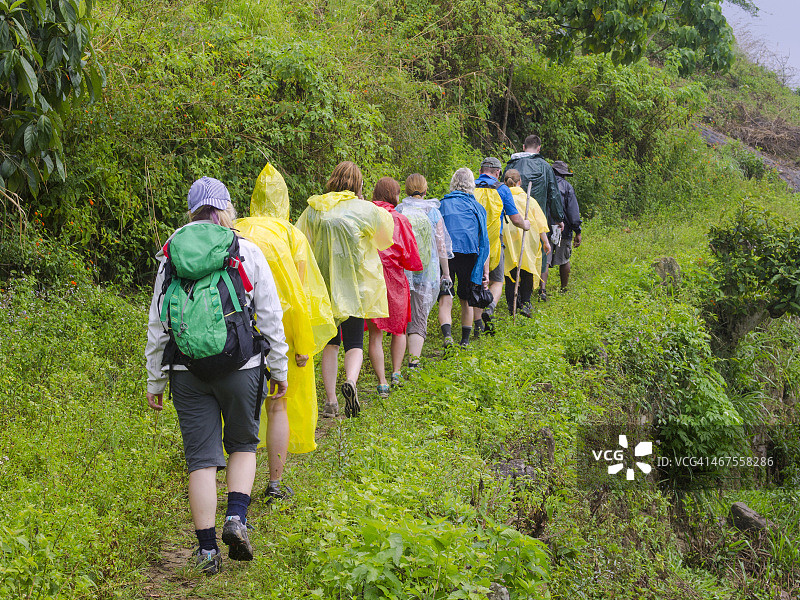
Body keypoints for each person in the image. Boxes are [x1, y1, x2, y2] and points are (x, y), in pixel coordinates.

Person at [145, 177, 290, 574]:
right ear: (226, 208)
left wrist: (154, 380)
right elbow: (270, 315)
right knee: (242, 444)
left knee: (200, 462)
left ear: (191, 210)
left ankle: (207, 552)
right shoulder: (245, 249)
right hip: (241, 365)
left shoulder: (171, 254)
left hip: (185, 370)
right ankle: (236, 519)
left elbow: (158, 324)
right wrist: (278, 368)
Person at [235, 164, 336, 502]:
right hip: (280, 332)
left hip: (237, 331)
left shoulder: (235, 229)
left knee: (238, 408)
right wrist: (304, 342)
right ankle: (274, 483)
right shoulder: (291, 235)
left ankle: (235, 484)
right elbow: (301, 293)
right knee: (278, 404)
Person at [296, 161, 394, 419]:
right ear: (359, 184)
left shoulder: (314, 209)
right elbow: (384, 239)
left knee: (331, 342)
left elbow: (299, 243)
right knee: (354, 341)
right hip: (356, 286)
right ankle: (351, 381)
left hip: (324, 286)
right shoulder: (365, 210)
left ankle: (330, 402)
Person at [367, 177, 423, 397]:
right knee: (399, 329)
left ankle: (381, 382)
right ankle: (396, 373)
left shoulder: (366, 217)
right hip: (394, 278)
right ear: (393, 194)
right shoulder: (399, 219)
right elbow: (411, 256)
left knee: (375, 333)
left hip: (371, 277)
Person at [395, 173, 453, 369]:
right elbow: (441, 244)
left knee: (403, 316)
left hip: (402, 271)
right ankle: (413, 362)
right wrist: (446, 273)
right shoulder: (432, 211)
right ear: (426, 189)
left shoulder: (399, 210)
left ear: (406, 189)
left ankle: (396, 366)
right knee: (419, 316)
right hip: (425, 272)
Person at [504, 134, 566, 301]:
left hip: (510, 220)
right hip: (535, 220)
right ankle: (529, 298)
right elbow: (553, 194)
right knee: (534, 255)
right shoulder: (545, 167)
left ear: (523, 147)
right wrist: (559, 218)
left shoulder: (511, 165)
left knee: (513, 255)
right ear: (539, 149)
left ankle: (514, 297)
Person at [473, 157, 530, 333]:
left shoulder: (470, 186)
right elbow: (515, 219)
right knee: (496, 281)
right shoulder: (502, 189)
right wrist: (525, 225)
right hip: (493, 243)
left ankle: (477, 324)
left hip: (471, 242)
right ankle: (489, 308)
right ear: (498, 172)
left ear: (481, 170)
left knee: (475, 282)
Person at [438, 167, 490, 347]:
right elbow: (484, 240)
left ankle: (447, 336)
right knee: (466, 298)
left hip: (446, 255)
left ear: (453, 183)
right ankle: (465, 341)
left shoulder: (442, 204)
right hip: (469, 254)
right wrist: (485, 270)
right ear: (471, 185)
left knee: (446, 296)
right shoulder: (477, 207)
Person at [502, 169, 551, 317]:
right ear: (520, 182)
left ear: (505, 182)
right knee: (527, 269)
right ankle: (526, 303)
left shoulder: (502, 197)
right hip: (528, 238)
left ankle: (512, 306)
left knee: (511, 271)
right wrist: (546, 242)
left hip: (508, 239)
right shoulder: (529, 199)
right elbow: (540, 223)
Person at [550, 160, 583, 292]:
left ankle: (542, 290)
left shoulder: (544, 185)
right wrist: (577, 231)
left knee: (544, 261)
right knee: (564, 259)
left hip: (545, 227)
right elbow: (573, 212)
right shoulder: (567, 187)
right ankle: (564, 288)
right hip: (564, 229)